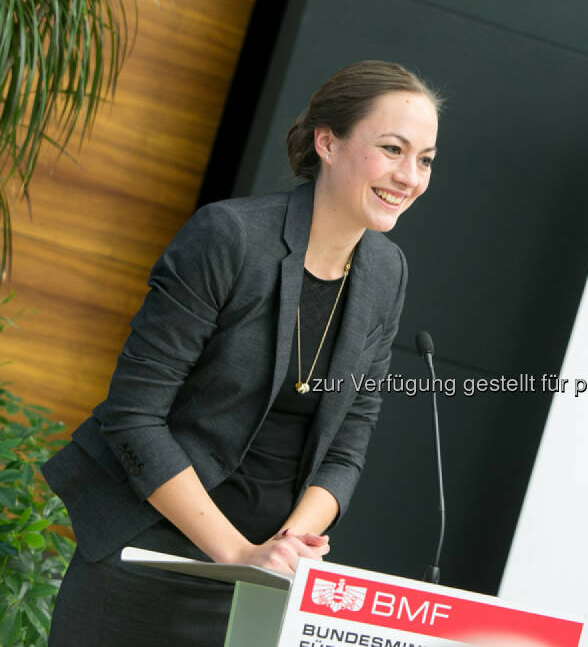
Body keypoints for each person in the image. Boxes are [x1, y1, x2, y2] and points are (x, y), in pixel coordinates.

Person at [43, 60, 441, 646]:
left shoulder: (387, 272)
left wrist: (285, 548)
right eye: (392, 149)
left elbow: (351, 437)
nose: (409, 175)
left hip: (263, 585)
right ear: (327, 142)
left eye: (426, 159)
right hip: (149, 556)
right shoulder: (228, 237)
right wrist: (237, 553)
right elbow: (134, 417)